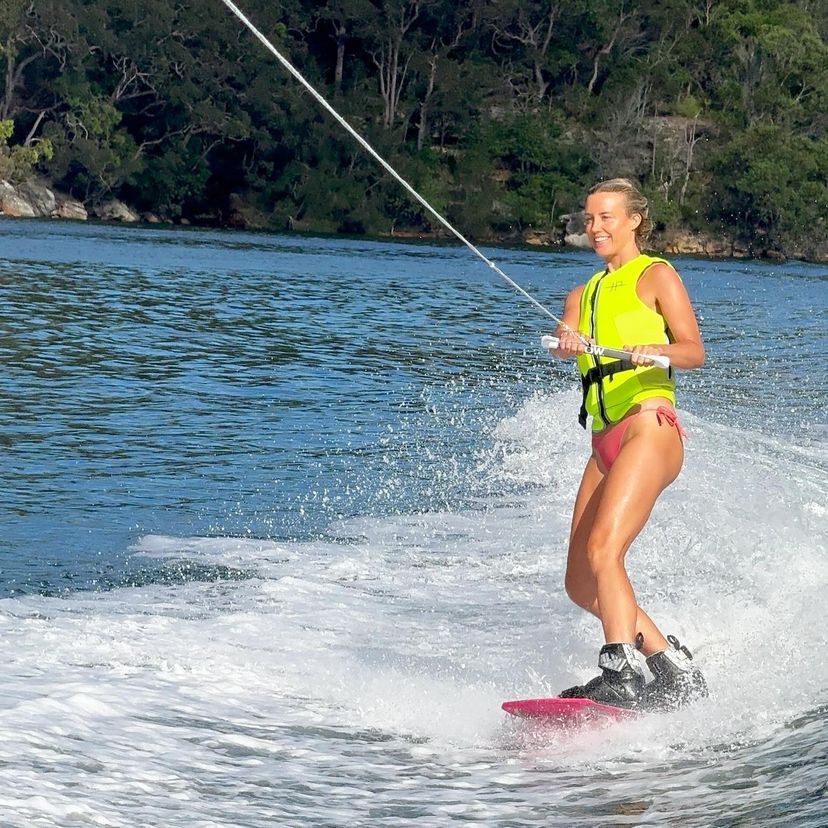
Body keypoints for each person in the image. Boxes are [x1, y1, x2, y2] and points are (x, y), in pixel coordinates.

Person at [550, 178, 708, 710]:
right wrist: (565, 341)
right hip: (603, 442)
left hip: (649, 426)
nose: (594, 227)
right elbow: (562, 342)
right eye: (589, 218)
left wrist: (655, 350)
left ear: (635, 220)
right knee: (580, 581)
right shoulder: (581, 295)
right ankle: (670, 664)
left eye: (606, 217)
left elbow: (694, 351)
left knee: (604, 550)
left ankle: (620, 671)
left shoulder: (655, 275)